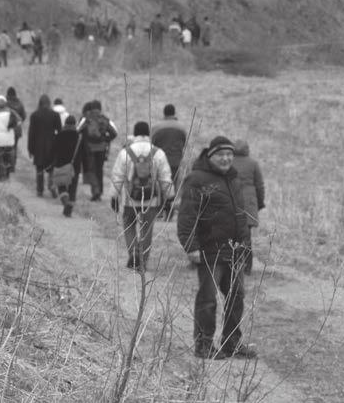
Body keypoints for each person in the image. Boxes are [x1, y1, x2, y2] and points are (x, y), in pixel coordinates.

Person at [177, 136, 257, 360]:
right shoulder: (197, 178)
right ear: (210, 155)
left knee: (236, 297)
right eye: (221, 154)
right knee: (208, 299)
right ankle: (203, 345)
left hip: (233, 251)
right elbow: (186, 215)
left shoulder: (233, 178)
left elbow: (240, 214)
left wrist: (244, 244)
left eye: (229, 154)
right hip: (209, 251)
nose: (226, 158)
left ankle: (232, 343)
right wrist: (190, 246)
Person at [109, 122, 173, 271]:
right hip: (151, 199)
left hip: (130, 199)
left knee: (129, 225)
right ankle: (142, 260)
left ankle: (133, 253)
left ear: (135, 133)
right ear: (148, 134)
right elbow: (165, 177)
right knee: (147, 229)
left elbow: (117, 175)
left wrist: (114, 196)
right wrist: (169, 197)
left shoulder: (126, 152)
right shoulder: (158, 153)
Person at [231, 140, 265, 275]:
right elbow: (260, 186)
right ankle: (247, 267)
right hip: (249, 204)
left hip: (232, 202)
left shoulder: (229, 163)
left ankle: (234, 265)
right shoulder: (253, 164)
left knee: (233, 235)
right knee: (246, 236)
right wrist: (260, 203)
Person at [150, 103, 187, 219]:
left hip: (160, 160)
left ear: (164, 113)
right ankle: (170, 210)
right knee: (173, 184)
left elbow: (152, 144)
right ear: (174, 112)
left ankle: (161, 210)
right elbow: (184, 143)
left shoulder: (156, 127)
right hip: (176, 160)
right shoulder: (181, 127)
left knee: (161, 184)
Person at [77, 100, 117, 201]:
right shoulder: (104, 119)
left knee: (92, 169)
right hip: (102, 148)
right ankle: (100, 191)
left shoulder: (86, 119)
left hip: (89, 148)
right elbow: (114, 132)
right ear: (100, 108)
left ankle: (95, 191)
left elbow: (78, 130)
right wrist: (106, 139)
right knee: (99, 169)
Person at [27, 94, 62, 197]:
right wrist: (59, 147)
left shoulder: (34, 115)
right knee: (51, 168)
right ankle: (51, 186)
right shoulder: (55, 115)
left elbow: (31, 133)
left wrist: (30, 149)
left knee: (39, 168)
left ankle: (39, 189)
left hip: (38, 146)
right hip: (51, 145)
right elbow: (59, 132)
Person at [51, 115, 82, 217]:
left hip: (60, 165)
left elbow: (53, 150)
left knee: (61, 186)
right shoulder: (79, 137)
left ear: (65, 123)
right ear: (75, 124)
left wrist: (51, 163)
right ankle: (69, 209)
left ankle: (65, 200)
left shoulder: (59, 135)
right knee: (73, 187)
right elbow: (84, 153)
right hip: (75, 166)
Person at [5, 87, 26, 173]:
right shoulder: (19, 103)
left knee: (7, 147)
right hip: (16, 128)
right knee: (14, 147)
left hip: (7, 128)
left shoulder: (5, 103)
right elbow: (24, 116)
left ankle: (7, 164)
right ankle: (13, 166)